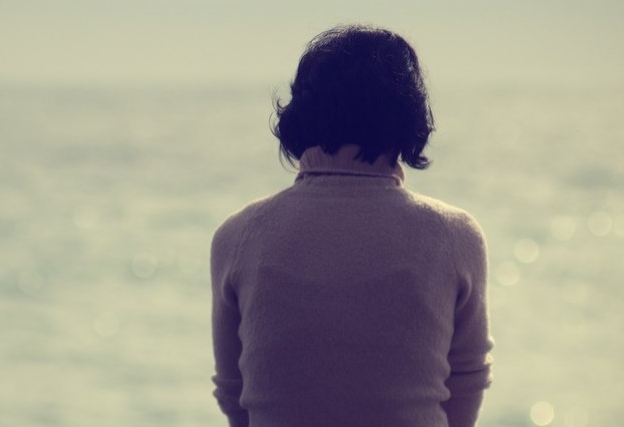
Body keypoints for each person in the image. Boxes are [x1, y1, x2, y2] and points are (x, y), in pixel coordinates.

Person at [210, 24, 493, 427]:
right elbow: (466, 384)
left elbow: (234, 394)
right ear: (408, 116)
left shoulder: (238, 236)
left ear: (301, 112)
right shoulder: (454, 236)